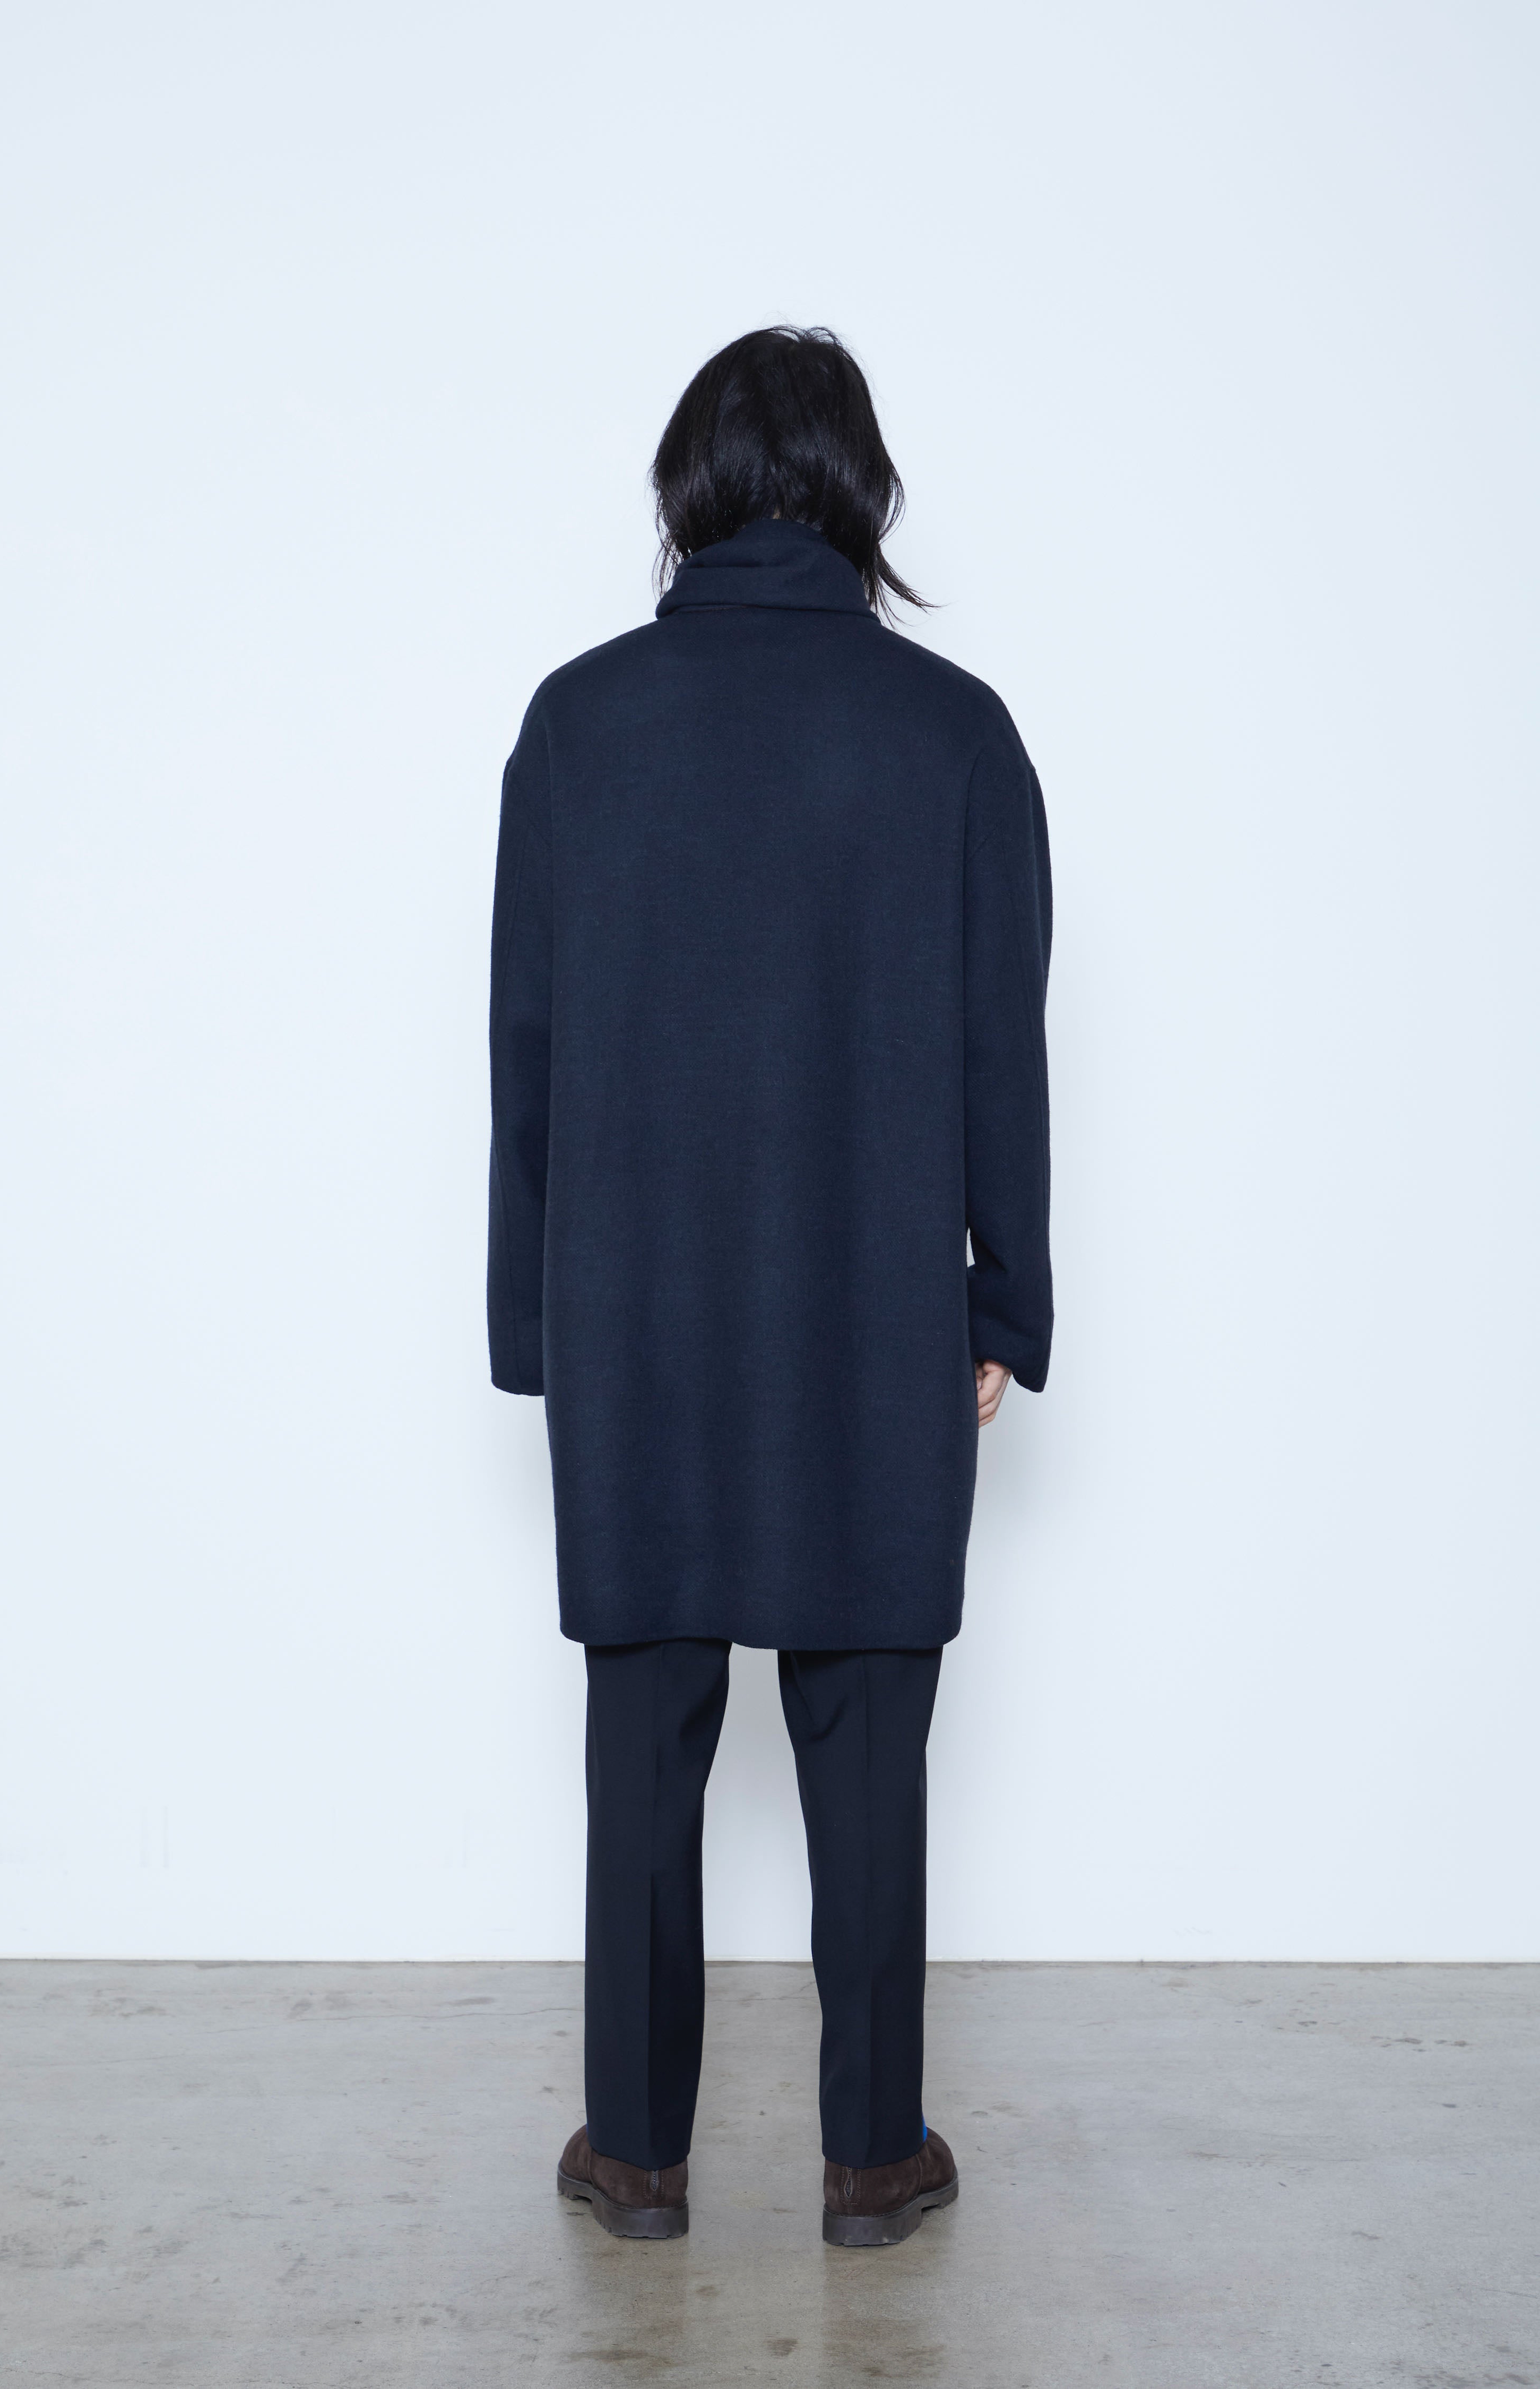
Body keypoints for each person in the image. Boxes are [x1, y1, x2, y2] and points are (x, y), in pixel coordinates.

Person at [487, 326, 1052, 2248]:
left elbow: (528, 1049)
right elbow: (999, 1047)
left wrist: (532, 1323)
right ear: (858, 493)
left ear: (694, 491)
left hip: (634, 1320)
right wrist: (1002, 1305)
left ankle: (638, 2155)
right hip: (874, 1317)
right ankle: (872, 2159)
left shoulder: (581, 725)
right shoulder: (953, 734)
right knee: (869, 1740)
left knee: (642, 1742)